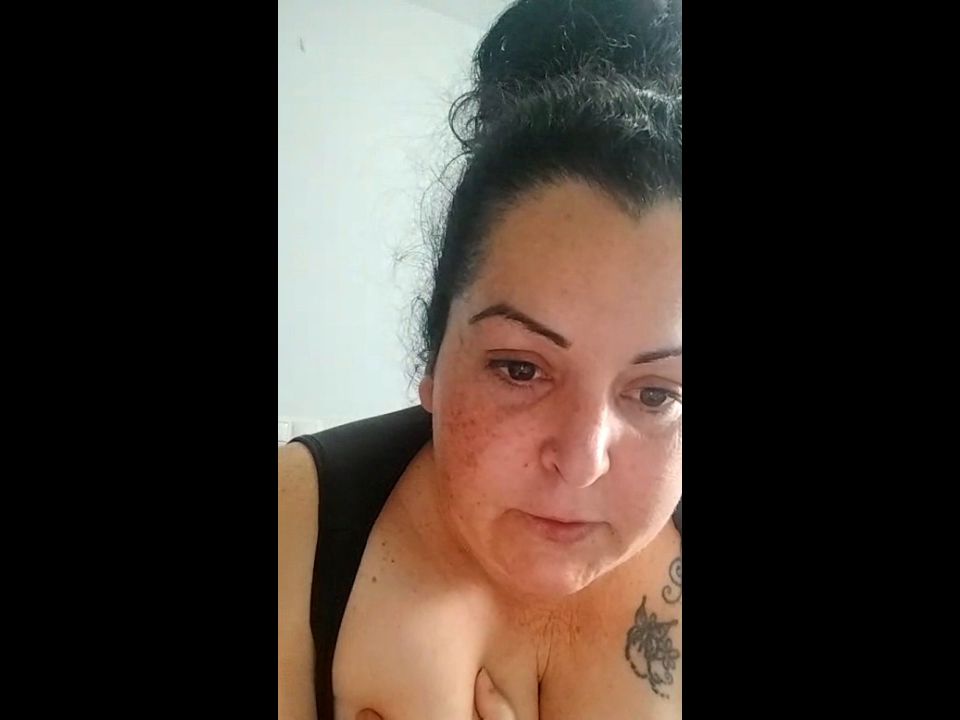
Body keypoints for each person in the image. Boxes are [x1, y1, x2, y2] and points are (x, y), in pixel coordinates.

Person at [278, 1, 682, 717]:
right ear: (434, 357)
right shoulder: (300, 521)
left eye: (656, 394)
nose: (582, 462)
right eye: (520, 369)